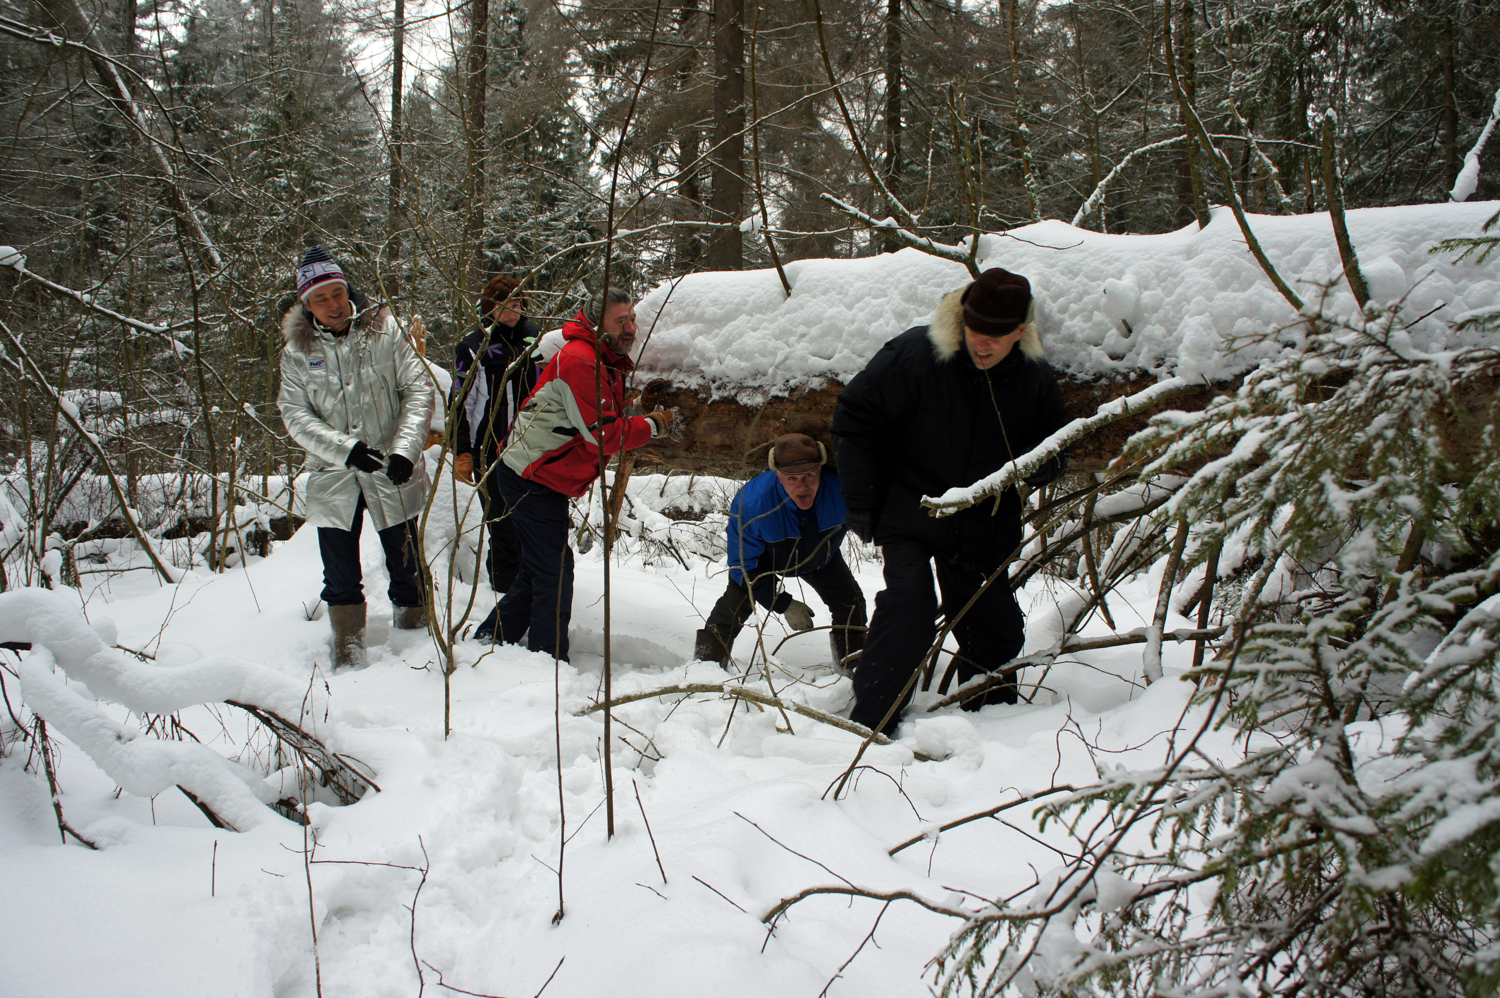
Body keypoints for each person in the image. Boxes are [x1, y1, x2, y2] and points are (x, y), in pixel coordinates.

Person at [830, 267, 1068, 735]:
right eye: (976, 331)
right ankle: (870, 724)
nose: (984, 344)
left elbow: (1053, 444)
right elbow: (855, 417)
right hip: (911, 508)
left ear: (1021, 332)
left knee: (993, 623)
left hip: (985, 519)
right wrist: (861, 500)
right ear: (962, 321)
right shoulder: (916, 354)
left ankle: (991, 726)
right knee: (908, 607)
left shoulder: (1033, 377)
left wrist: (1043, 466)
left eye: (999, 336)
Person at [472, 285, 675, 660]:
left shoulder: (603, 357)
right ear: (597, 324)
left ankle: (491, 638)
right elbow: (604, 435)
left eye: (632, 318)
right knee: (555, 572)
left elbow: (594, 413)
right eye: (620, 321)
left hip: (539, 475)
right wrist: (653, 426)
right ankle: (547, 659)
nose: (630, 327)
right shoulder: (583, 360)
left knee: (542, 567)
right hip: (531, 477)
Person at [278, 245, 435, 669]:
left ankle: (417, 637)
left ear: (348, 289)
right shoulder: (297, 351)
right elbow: (294, 414)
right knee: (340, 573)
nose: (331, 304)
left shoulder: (386, 332)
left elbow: (418, 391)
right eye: (319, 298)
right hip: (334, 475)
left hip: (392, 471)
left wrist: (404, 450)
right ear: (306, 304)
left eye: (336, 292)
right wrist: (344, 449)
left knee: (406, 563)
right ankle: (347, 648)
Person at [694, 433, 867, 671]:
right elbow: (742, 567)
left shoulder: (843, 492)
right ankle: (705, 669)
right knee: (731, 609)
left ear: (820, 470)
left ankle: (853, 669)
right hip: (763, 563)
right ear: (778, 475)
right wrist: (783, 604)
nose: (802, 485)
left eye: (810, 475)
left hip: (821, 559)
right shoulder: (753, 502)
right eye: (792, 477)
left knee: (852, 604)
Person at [451, 275, 542, 592]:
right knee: (503, 524)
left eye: (516, 304)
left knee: (532, 525)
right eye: (503, 305)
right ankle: (504, 594)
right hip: (490, 449)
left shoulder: (538, 339)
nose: (511, 312)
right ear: (490, 308)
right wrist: (463, 451)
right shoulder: (473, 345)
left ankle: (531, 589)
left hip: (535, 447)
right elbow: (460, 401)